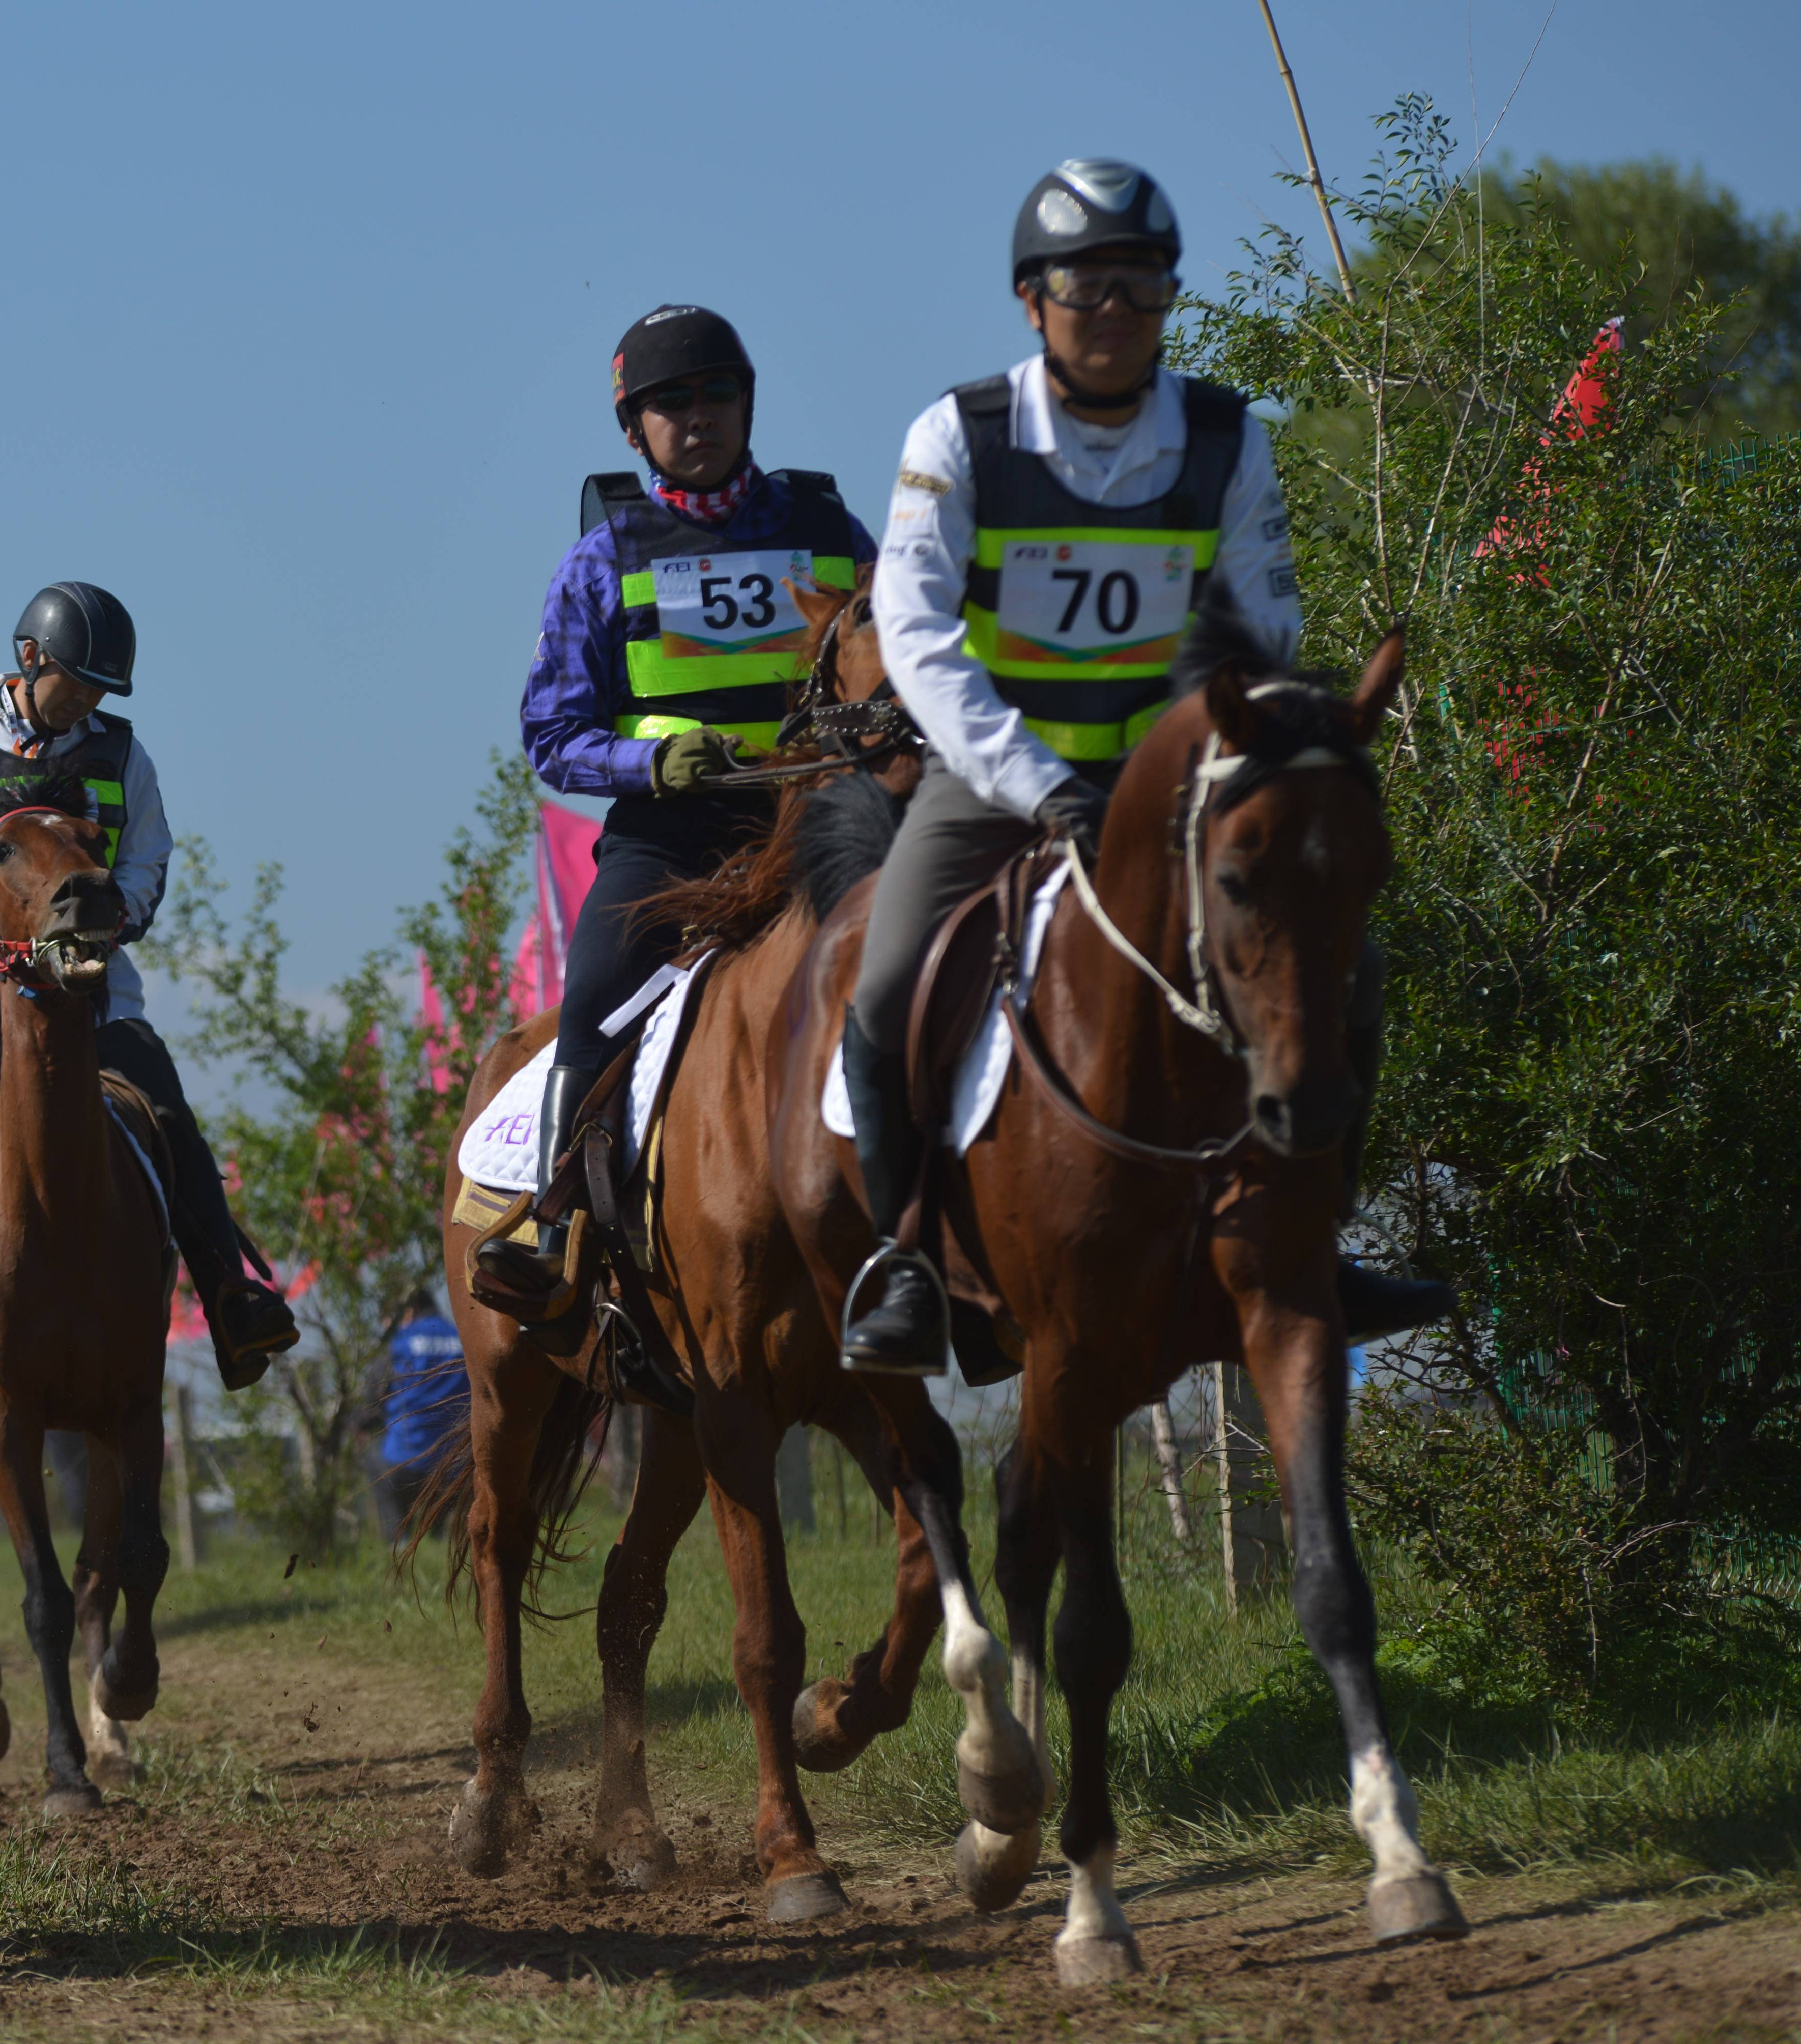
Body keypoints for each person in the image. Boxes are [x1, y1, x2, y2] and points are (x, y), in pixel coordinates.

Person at [837, 161, 1454, 1371]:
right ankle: (901, 1254)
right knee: (884, 981)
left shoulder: (1228, 440)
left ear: (1167, 296)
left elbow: (1256, 632)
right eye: (1083, 283)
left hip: (1174, 790)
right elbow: (911, 631)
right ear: (1032, 300)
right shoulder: (956, 437)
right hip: (997, 771)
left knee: (1350, 969)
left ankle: (1316, 1236)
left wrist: (1173, 778)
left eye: (1140, 284)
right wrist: (1036, 780)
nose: (1113, 307)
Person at [475, 306, 878, 1309]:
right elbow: (550, 735)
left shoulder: (829, 530)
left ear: (746, 404)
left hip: (819, 824)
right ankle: (553, 1220)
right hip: (672, 836)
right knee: (594, 993)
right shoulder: (602, 560)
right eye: (669, 403)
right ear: (631, 427)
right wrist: (652, 767)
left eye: (714, 395)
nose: (695, 417)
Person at [0, 582, 300, 1389]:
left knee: (167, 1111)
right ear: (28, 658)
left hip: (94, 987)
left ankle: (230, 1296)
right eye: (72, 680)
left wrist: (117, 916)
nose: (83, 699)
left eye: (98, 689)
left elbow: (146, 857)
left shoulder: (121, 754)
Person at [370, 1289, 468, 1541]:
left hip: (406, 1459)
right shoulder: (464, 1336)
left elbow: (374, 1395)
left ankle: (398, 1545)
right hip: (455, 1463)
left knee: (375, 1464)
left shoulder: (401, 1341)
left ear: (409, 1311)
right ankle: (438, 1541)